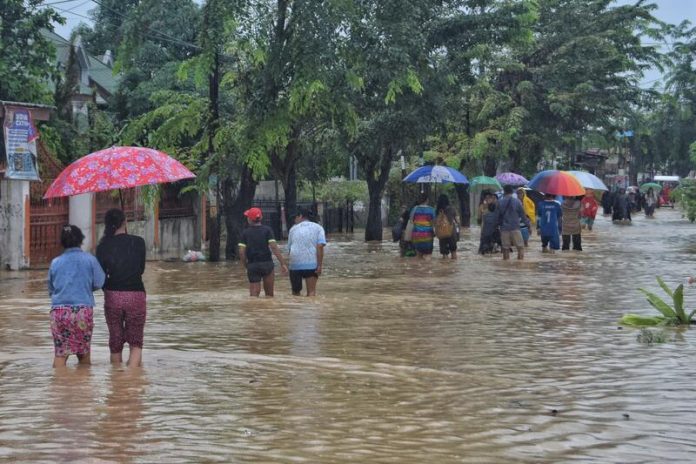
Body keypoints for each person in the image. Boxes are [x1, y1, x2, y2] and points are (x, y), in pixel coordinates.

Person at [48, 225, 105, 368]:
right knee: (84, 354)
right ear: (81, 240)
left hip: (59, 312)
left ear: (62, 242)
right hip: (82, 311)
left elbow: (51, 289)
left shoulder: (55, 262)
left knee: (60, 354)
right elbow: (99, 282)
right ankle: (83, 388)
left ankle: (58, 386)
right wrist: (85, 287)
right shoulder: (90, 260)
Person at [96, 208, 147, 367]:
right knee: (136, 343)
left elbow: (100, 277)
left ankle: (116, 384)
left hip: (112, 296)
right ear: (125, 222)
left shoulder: (103, 246)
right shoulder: (138, 242)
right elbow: (141, 269)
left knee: (115, 343)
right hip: (136, 295)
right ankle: (130, 382)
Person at [238, 207, 288, 297]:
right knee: (269, 295)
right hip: (267, 264)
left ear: (249, 219)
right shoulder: (267, 230)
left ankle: (255, 311)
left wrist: (246, 265)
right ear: (261, 218)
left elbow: (241, 252)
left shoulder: (245, 233)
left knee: (253, 296)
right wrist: (283, 263)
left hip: (253, 265)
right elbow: (274, 247)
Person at [287, 207, 327, 296]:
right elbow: (320, 246)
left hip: (294, 265)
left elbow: (289, 249)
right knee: (311, 292)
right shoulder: (318, 228)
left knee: (295, 293)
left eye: (295, 217)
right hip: (311, 264)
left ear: (300, 216)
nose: (294, 220)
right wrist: (319, 265)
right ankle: (311, 309)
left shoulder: (292, 229)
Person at [495, 184, 529, 260]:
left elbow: (497, 216)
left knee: (506, 248)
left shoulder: (499, 202)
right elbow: (523, 216)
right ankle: (519, 265)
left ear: (504, 192)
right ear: (512, 191)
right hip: (515, 228)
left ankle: (506, 266)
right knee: (520, 247)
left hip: (504, 228)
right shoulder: (517, 202)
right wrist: (528, 225)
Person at [410, 193, 436, 259]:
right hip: (428, 235)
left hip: (416, 235)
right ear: (427, 200)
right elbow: (433, 223)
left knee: (418, 256)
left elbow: (411, 221)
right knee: (428, 256)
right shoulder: (431, 210)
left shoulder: (414, 209)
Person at [434, 194, 459, 259]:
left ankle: (445, 268)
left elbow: (435, 222)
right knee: (453, 252)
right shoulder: (452, 209)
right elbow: (457, 221)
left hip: (441, 233)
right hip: (451, 233)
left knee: (444, 253)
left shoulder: (437, 211)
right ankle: (453, 268)